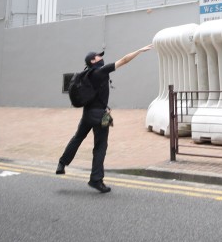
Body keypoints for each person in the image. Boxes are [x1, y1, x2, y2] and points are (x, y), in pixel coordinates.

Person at [56, 44, 151, 193]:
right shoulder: (100, 71)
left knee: (77, 138)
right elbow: (124, 60)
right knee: (100, 147)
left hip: (87, 114)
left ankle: (62, 164)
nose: (101, 57)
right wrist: (139, 51)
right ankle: (96, 180)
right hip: (99, 116)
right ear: (93, 61)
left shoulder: (86, 74)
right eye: (98, 56)